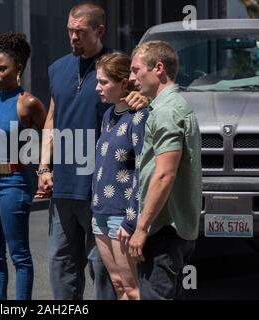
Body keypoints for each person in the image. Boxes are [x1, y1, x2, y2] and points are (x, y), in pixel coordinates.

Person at [36, 2, 149, 300]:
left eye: (80, 32)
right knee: (60, 264)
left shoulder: (115, 67)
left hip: (102, 188)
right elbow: (51, 118)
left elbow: (138, 95)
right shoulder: (57, 69)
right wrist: (44, 167)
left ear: (99, 30)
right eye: (70, 31)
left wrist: (139, 96)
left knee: (103, 270)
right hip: (63, 184)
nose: (73, 37)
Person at [0, 32, 47, 300]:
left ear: (19, 68)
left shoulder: (28, 103)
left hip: (14, 183)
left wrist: (45, 172)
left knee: (19, 255)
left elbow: (50, 138)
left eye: (2, 68)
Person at [128, 40, 202, 300]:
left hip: (163, 230)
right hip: (172, 228)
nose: (131, 78)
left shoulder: (167, 111)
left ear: (158, 68)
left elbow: (164, 174)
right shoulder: (167, 106)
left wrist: (141, 228)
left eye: (136, 70)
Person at [92, 52, 148, 300]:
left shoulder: (139, 117)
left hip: (122, 215)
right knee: (117, 283)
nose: (98, 88)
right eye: (98, 81)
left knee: (132, 288)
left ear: (124, 83)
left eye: (104, 82)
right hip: (100, 212)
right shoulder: (108, 115)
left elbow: (142, 171)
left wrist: (131, 220)